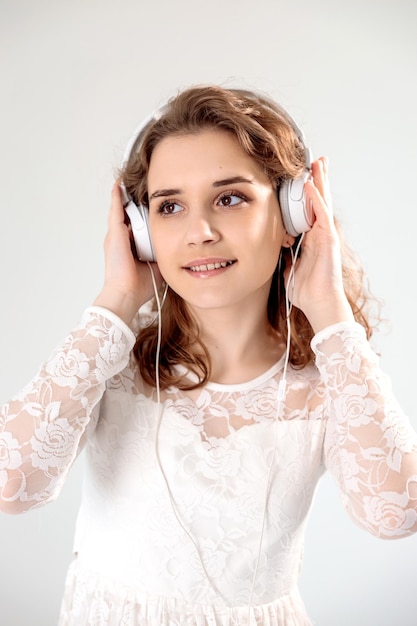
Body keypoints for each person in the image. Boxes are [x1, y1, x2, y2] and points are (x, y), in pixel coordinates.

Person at [1, 84, 417, 626]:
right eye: (168, 207)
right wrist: (117, 302)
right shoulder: (113, 363)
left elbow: (396, 513)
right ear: (142, 231)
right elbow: (11, 484)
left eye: (230, 197)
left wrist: (329, 309)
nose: (198, 232)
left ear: (294, 214)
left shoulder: (329, 380)